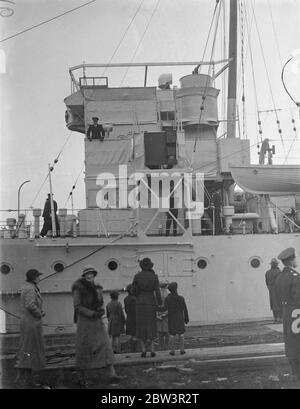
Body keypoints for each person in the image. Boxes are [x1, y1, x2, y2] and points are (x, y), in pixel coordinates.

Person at [71, 265, 125, 387]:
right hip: (85, 322)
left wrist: (100, 310)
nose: (90, 276)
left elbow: (100, 303)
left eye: (92, 274)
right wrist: (92, 313)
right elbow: (77, 306)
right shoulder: (78, 288)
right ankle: (82, 377)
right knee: (85, 348)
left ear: (94, 275)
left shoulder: (98, 287)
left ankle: (112, 374)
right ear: (84, 276)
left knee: (105, 345)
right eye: (87, 274)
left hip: (97, 321)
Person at [15, 269, 46, 388]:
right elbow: (30, 305)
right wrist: (39, 313)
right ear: (33, 277)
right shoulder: (30, 288)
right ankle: (25, 380)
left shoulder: (30, 287)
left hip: (30, 323)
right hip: (31, 323)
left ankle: (24, 379)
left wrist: (39, 311)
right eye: (38, 276)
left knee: (28, 351)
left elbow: (31, 304)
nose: (39, 278)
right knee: (29, 351)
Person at [275, 247, 300, 380]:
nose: (297, 259)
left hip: (286, 313)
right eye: (295, 257)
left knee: (290, 342)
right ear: (291, 261)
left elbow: (278, 298)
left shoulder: (279, 277)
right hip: (297, 314)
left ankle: (295, 372)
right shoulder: (295, 277)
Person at [132, 258, 162, 358]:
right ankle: (152, 350)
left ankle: (143, 351)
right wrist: (160, 303)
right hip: (150, 303)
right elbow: (157, 292)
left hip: (140, 303)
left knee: (141, 326)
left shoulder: (137, 276)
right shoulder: (154, 276)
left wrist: (139, 297)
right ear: (150, 266)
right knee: (151, 326)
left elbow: (133, 291)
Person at [164, 282, 189, 356]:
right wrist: (186, 318)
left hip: (172, 318)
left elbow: (164, 308)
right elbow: (185, 309)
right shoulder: (181, 298)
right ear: (176, 289)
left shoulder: (168, 298)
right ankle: (182, 350)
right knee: (181, 334)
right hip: (180, 318)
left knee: (172, 335)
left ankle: (172, 351)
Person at [265, 258, 282, 322]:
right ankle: (280, 318)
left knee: (273, 304)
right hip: (279, 291)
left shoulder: (267, 272)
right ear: (276, 264)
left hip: (271, 291)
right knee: (280, 304)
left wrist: (270, 289)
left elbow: (267, 283)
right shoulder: (279, 272)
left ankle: (275, 318)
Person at [124, 284, 137, 352]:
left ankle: (132, 348)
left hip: (129, 317)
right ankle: (134, 349)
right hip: (135, 318)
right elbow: (135, 310)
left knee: (132, 334)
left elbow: (126, 309)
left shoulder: (125, 299)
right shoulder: (134, 299)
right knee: (135, 334)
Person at [156, 281, 169, 349]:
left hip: (158, 313)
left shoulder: (157, 294)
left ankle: (160, 346)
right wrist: (166, 313)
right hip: (166, 313)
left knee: (160, 331)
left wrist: (157, 314)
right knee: (167, 331)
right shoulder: (168, 294)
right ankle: (166, 345)